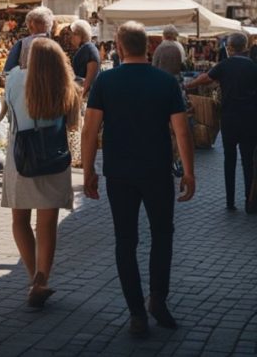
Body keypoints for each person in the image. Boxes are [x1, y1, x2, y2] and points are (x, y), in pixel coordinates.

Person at [82, 21, 195, 338]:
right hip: (157, 171)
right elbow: (181, 129)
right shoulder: (165, 81)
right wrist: (189, 172)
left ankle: (136, 313)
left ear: (118, 47)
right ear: (149, 47)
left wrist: (89, 169)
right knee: (162, 234)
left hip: (119, 171)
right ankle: (157, 298)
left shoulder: (106, 81)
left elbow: (91, 130)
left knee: (125, 240)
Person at [2, 39, 79, 308]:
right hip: (54, 157)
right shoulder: (68, 85)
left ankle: (33, 275)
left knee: (19, 219)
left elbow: (7, 113)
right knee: (47, 224)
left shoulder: (14, 79)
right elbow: (72, 125)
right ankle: (42, 279)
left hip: (21, 156)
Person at [184, 31, 257, 212]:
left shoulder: (224, 65)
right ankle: (250, 200)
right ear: (246, 48)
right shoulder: (253, 67)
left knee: (229, 159)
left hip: (229, 119)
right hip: (250, 119)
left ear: (230, 48)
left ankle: (230, 201)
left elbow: (205, 78)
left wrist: (187, 85)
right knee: (248, 160)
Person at [3, 6, 54, 73]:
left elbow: (8, 71)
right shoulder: (57, 43)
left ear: (31, 25)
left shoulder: (21, 44)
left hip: (27, 82)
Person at [69, 19, 100, 97]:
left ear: (83, 35)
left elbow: (90, 78)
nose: (71, 37)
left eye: (75, 34)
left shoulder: (89, 48)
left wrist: (81, 95)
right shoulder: (84, 48)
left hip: (85, 96)